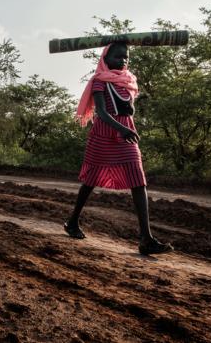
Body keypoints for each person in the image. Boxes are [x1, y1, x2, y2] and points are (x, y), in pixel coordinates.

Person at [64, 42, 173, 255]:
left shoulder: (129, 81)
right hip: (104, 135)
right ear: (105, 59)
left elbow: (126, 110)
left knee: (138, 180)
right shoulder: (99, 81)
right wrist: (121, 129)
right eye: (118, 57)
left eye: (126, 57)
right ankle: (72, 221)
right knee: (90, 181)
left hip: (125, 136)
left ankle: (146, 238)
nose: (123, 60)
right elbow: (102, 113)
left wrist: (125, 129)